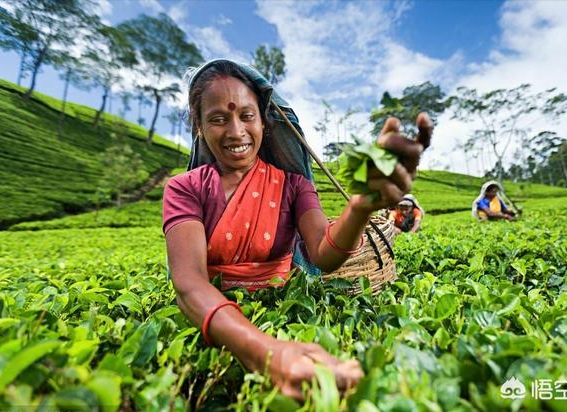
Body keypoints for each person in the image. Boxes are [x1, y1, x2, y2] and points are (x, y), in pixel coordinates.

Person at [162, 59, 434, 400]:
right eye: (218, 119)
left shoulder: (293, 185)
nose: (235, 132)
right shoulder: (184, 188)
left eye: (247, 115)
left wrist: (361, 206)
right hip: (213, 321)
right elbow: (188, 282)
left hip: (287, 307)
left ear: (263, 120)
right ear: (199, 127)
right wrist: (264, 352)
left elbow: (323, 252)